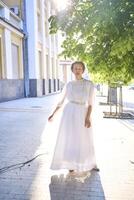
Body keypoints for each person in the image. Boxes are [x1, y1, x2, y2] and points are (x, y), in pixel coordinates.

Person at [48, 61, 99, 175]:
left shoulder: (89, 84)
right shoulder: (69, 84)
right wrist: (53, 114)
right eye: (75, 68)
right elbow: (61, 102)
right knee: (70, 138)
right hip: (69, 113)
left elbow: (90, 104)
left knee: (85, 138)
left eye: (80, 68)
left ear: (83, 70)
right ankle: (70, 164)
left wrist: (88, 118)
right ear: (72, 70)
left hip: (82, 112)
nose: (77, 70)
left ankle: (89, 163)